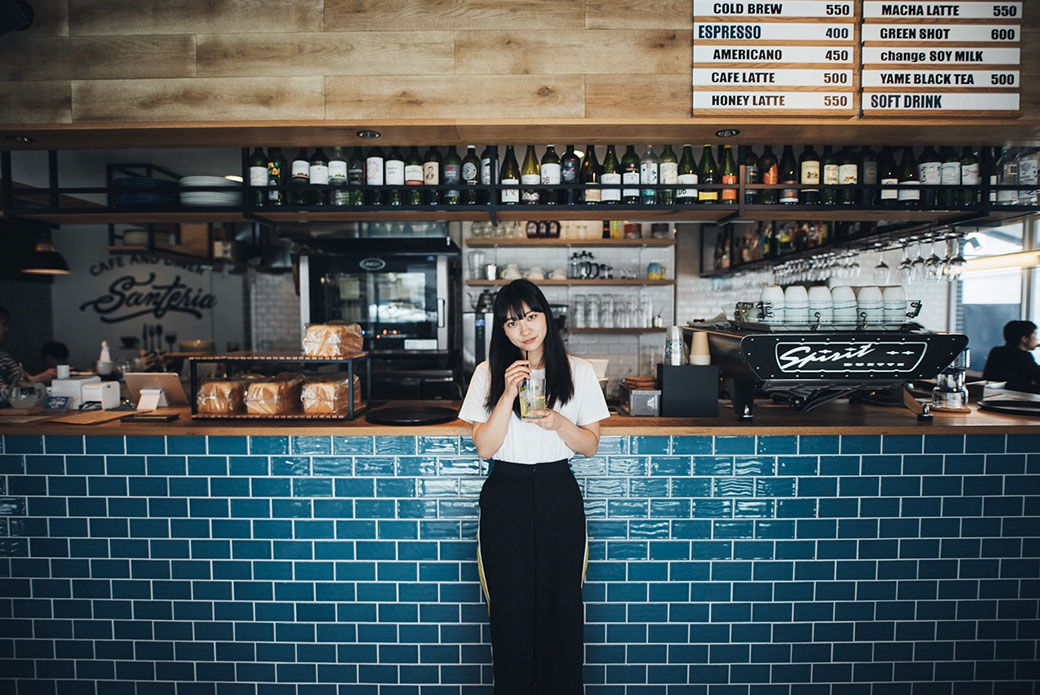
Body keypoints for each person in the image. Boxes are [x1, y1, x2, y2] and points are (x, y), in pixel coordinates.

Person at [458, 279, 610, 694]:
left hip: (558, 492)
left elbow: (590, 447)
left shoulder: (578, 371)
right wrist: (508, 392)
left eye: (530, 316)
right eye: (511, 323)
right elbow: (485, 448)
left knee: (562, 607)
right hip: (505, 494)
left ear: (546, 317)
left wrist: (559, 423)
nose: (524, 329)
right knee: (509, 610)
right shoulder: (488, 373)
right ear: (502, 331)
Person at [0, 305, 58, 406]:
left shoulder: (3, 356)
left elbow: (21, 377)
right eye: (3, 324)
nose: (7, 330)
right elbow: (2, 394)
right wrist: (37, 379)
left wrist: (37, 378)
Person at [982, 319, 1040, 393]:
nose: (1037, 340)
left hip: (991, 395)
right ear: (1024, 339)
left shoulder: (996, 351)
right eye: (1035, 337)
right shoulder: (1023, 356)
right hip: (1014, 398)